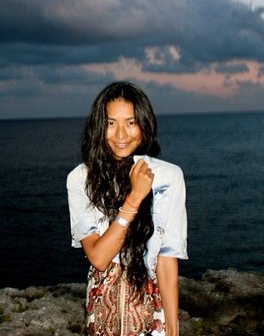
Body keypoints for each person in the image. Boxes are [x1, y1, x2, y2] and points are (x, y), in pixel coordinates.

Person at [67, 81, 188, 336]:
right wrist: (134, 198)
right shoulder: (80, 179)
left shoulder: (169, 177)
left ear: (144, 124)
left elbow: (167, 259)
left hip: (153, 317)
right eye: (111, 123)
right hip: (102, 317)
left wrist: (173, 329)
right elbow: (99, 258)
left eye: (131, 122)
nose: (121, 134)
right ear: (99, 126)